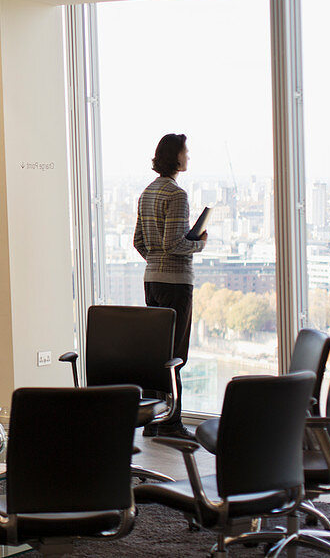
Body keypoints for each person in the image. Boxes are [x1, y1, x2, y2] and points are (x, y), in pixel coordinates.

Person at [133, 133, 206, 440]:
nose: (188, 156)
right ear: (176, 157)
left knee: (157, 352)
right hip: (175, 283)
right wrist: (199, 244)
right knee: (175, 355)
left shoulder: (147, 193)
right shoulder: (177, 195)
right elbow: (174, 242)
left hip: (152, 279)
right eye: (185, 152)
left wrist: (156, 261)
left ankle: (153, 420)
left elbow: (139, 241)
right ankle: (172, 423)